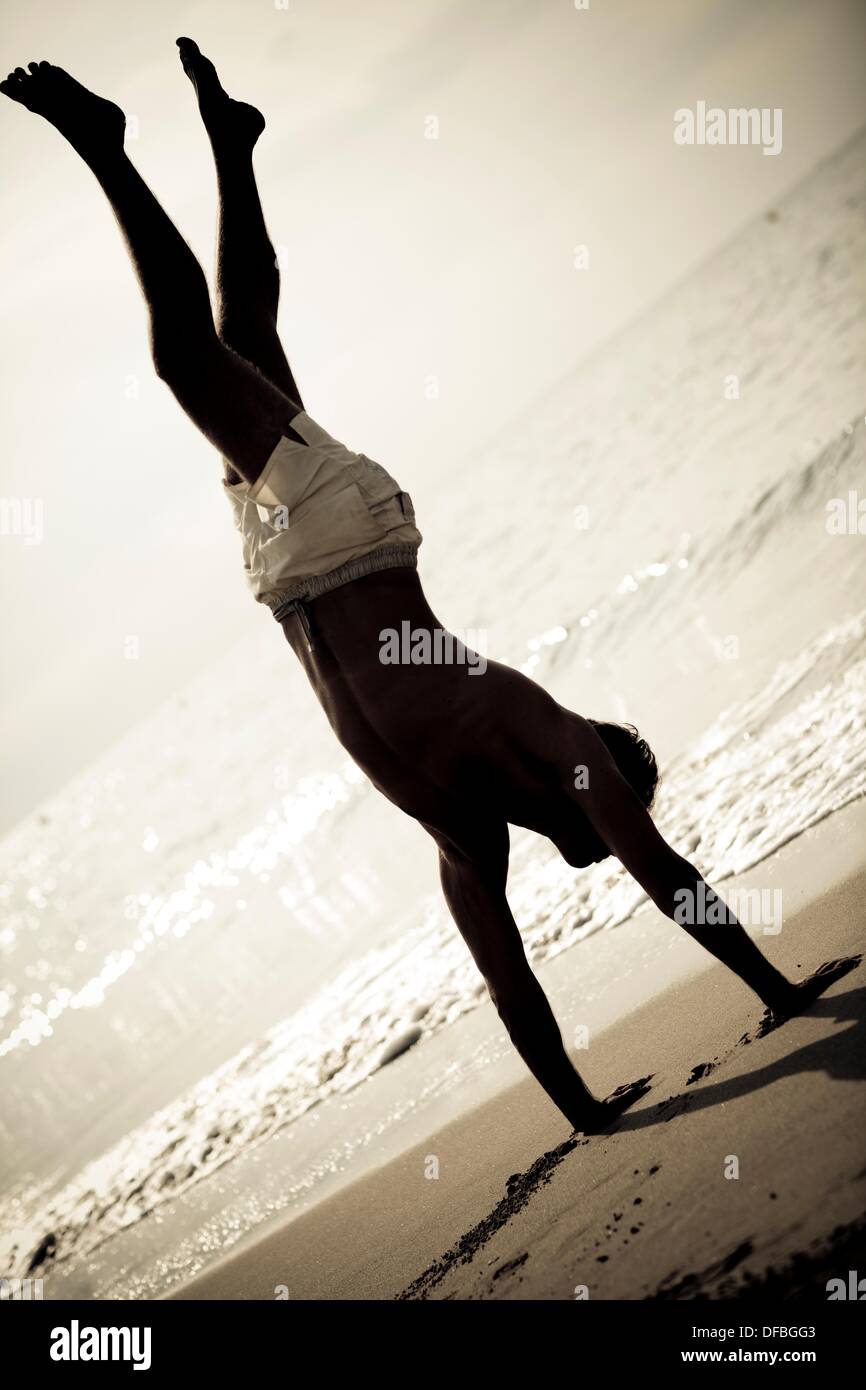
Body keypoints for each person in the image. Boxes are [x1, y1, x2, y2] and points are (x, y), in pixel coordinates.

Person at [2, 41, 854, 1135]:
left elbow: (508, 983)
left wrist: (585, 1113)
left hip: (288, 571)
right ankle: (106, 147)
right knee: (188, 363)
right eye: (619, 817)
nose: (603, 846)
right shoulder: (557, 741)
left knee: (242, 342)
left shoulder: (465, 841)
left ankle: (230, 142)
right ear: (617, 787)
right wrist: (778, 993)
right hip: (348, 542)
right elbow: (666, 875)